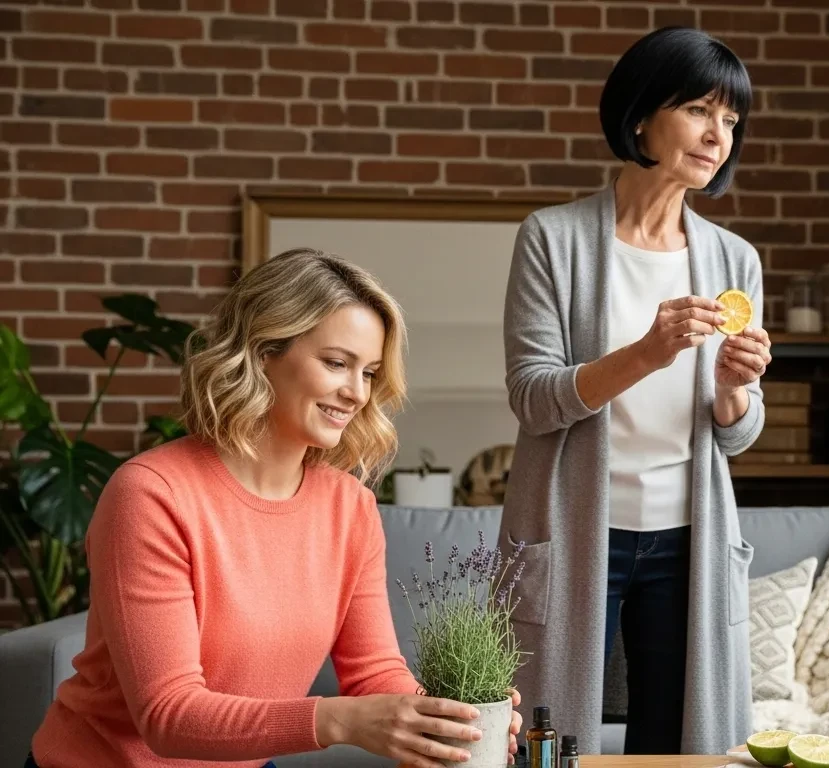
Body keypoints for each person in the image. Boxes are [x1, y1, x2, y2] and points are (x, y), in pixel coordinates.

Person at [26, 249, 521, 768]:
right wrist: (340, 719)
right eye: (336, 363)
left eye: (370, 372)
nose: (356, 393)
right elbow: (167, 715)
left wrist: (450, 719)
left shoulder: (349, 507)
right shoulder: (152, 495)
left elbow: (373, 673)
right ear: (263, 352)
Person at [498, 26, 770, 757]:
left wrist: (733, 391)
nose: (718, 135)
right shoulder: (552, 239)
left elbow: (737, 432)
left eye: (731, 121)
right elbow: (532, 397)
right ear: (643, 114)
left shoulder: (733, 259)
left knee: (681, 734)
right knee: (555, 733)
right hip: (574, 523)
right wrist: (647, 354)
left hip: (690, 531)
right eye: (701, 111)